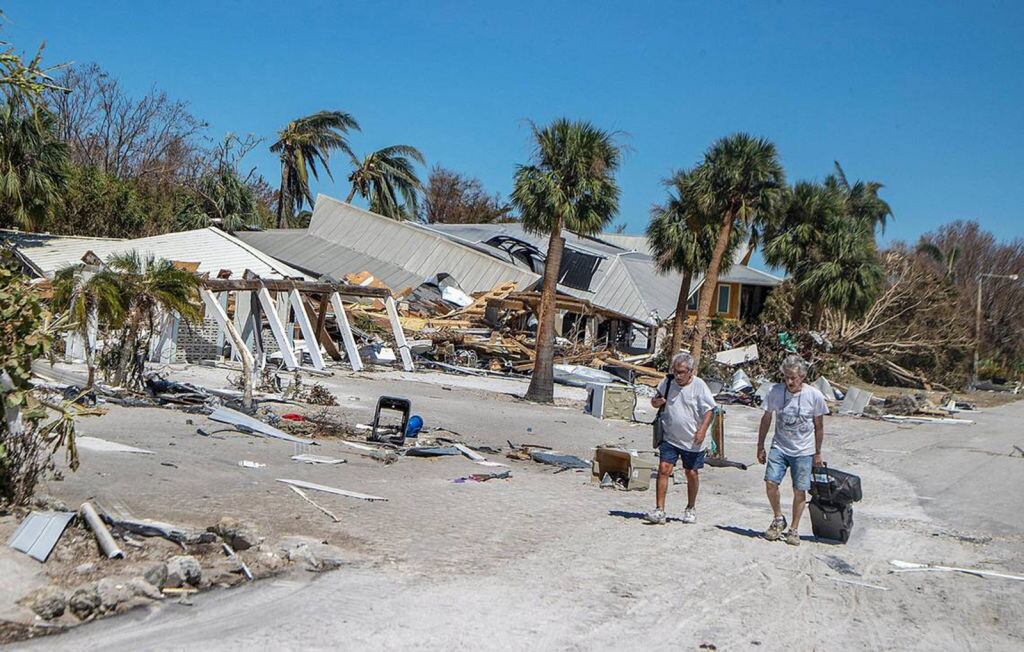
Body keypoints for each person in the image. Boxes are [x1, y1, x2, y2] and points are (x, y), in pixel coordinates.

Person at [756, 354, 828, 546]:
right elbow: (766, 418)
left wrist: (817, 453)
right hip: (779, 446)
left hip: (804, 450)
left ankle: (794, 529)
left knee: (800, 490)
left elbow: (819, 426)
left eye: (793, 378)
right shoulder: (775, 392)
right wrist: (760, 445)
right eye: (786, 377)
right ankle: (778, 519)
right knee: (771, 482)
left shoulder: (814, 396)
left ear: (802, 376)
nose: (789, 381)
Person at [645, 352, 717, 525]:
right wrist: (657, 402)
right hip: (670, 437)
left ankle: (690, 507)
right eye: (676, 371)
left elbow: (710, 410)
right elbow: (655, 401)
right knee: (663, 469)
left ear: (691, 371)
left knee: (691, 473)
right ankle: (659, 510)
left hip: (692, 440)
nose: (678, 375)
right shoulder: (668, 382)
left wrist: (702, 431)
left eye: (682, 372)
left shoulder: (699, 386)